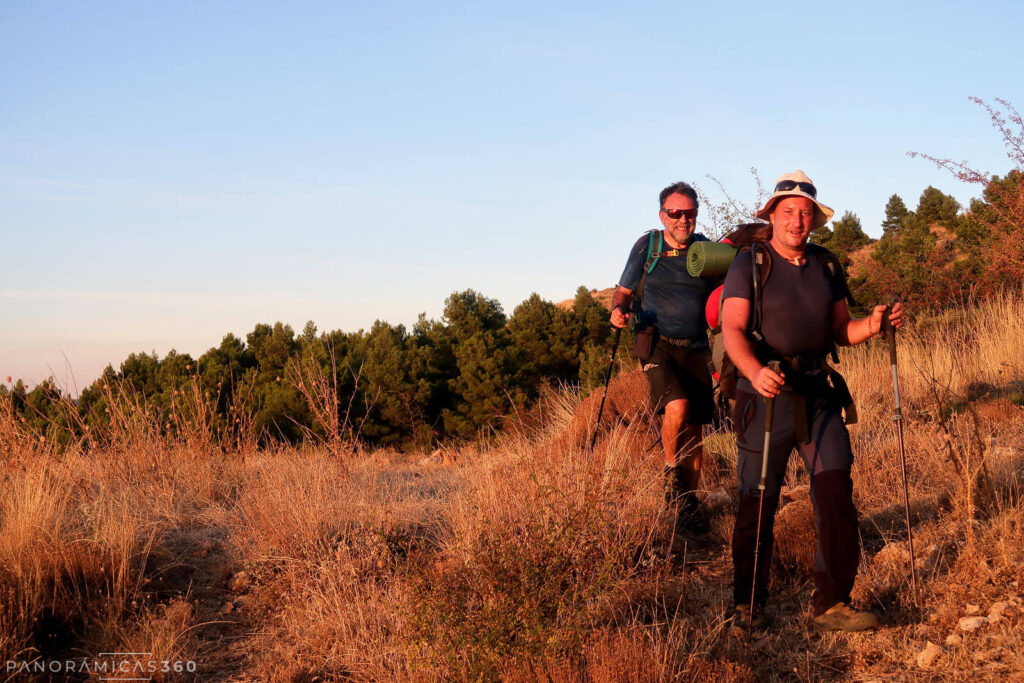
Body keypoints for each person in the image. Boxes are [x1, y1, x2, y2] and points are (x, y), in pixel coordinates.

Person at [721, 170, 903, 632]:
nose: (797, 221)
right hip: (766, 394)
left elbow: (843, 330)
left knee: (835, 489)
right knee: (757, 500)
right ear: (773, 216)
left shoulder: (826, 265)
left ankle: (833, 603)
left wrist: (875, 323)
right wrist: (754, 371)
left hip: (818, 393)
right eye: (789, 213)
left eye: (805, 214)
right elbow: (733, 331)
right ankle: (747, 605)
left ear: (813, 221)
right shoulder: (750, 262)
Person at [610, 181, 716, 531]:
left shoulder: (705, 250)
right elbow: (624, 290)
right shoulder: (648, 246)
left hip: (698, 347)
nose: (683, 220)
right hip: (656, 343)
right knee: (678, 407)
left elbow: (729, 289)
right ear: (663, 215)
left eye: (689, 213)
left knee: (696, 432)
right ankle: (670, 476)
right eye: (675, 213)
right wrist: (618, 310)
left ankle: (688, 504)